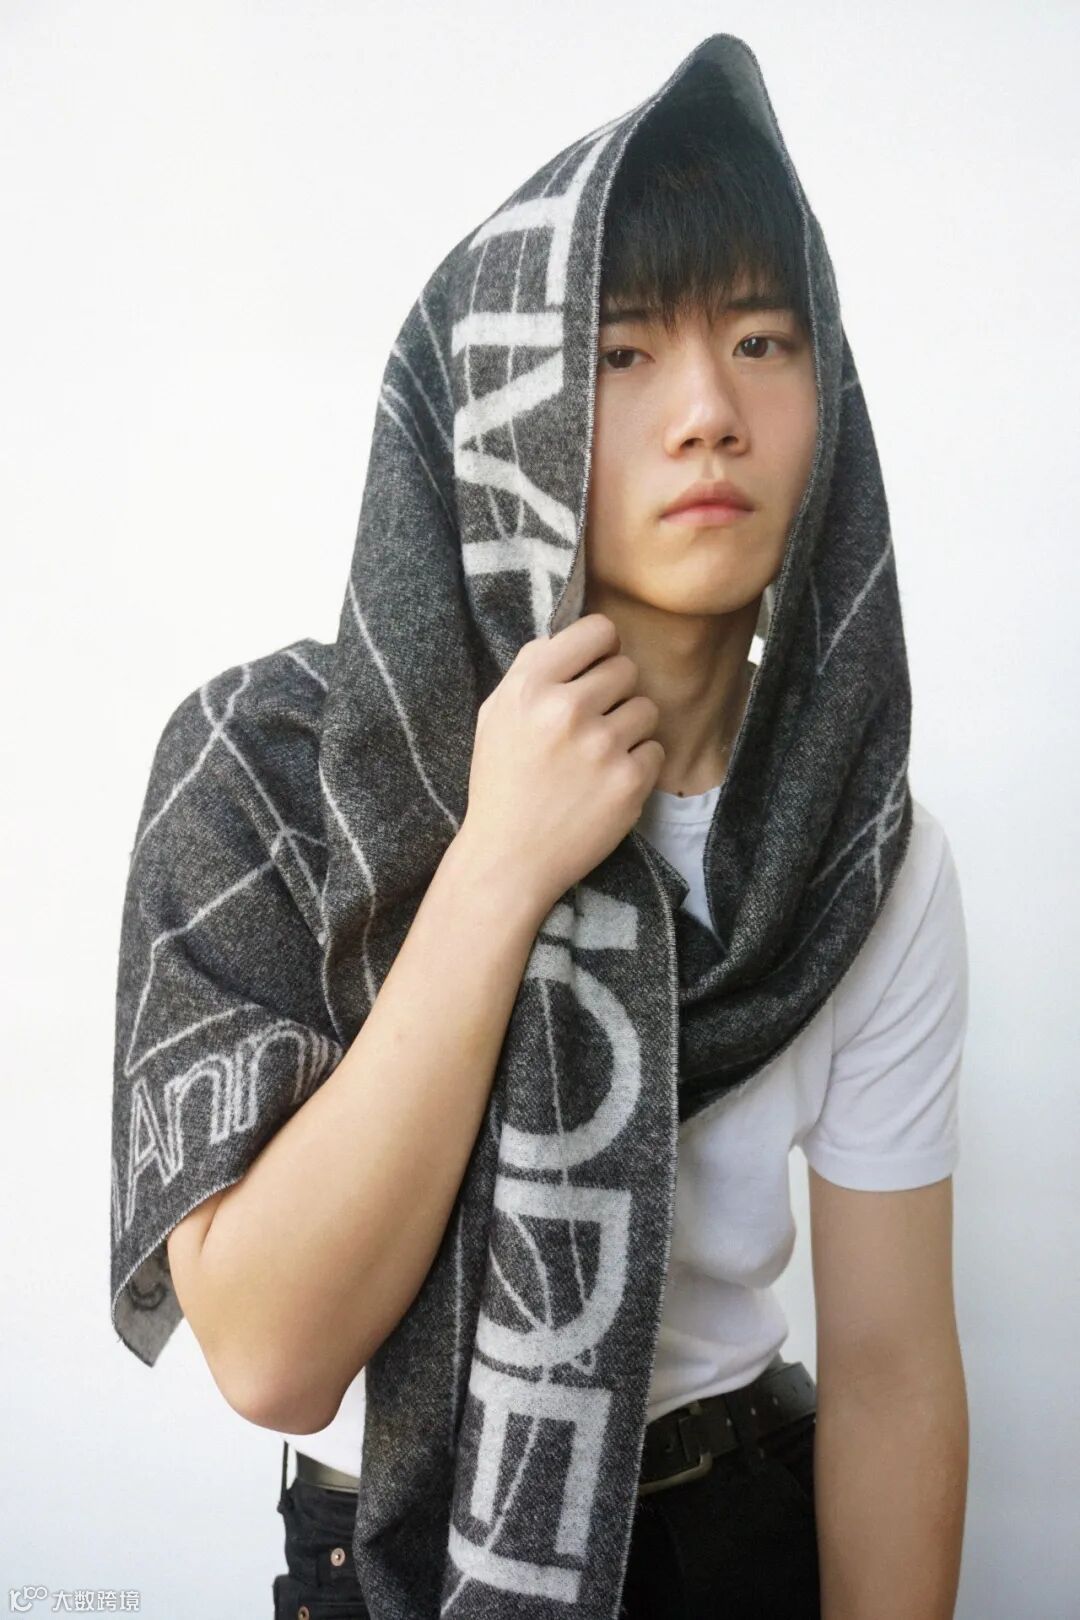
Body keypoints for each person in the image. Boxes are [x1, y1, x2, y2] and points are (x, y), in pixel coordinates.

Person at [111, 42, 969, 1620]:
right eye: (621, 352)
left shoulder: (860, 854)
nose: (707, 413)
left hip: (738, 1536)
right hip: (386, 1563)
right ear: (499, 407)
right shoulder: (267, 775)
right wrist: (500, 861)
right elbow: (275, 1356)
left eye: (762, 339)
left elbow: (896, 1374)